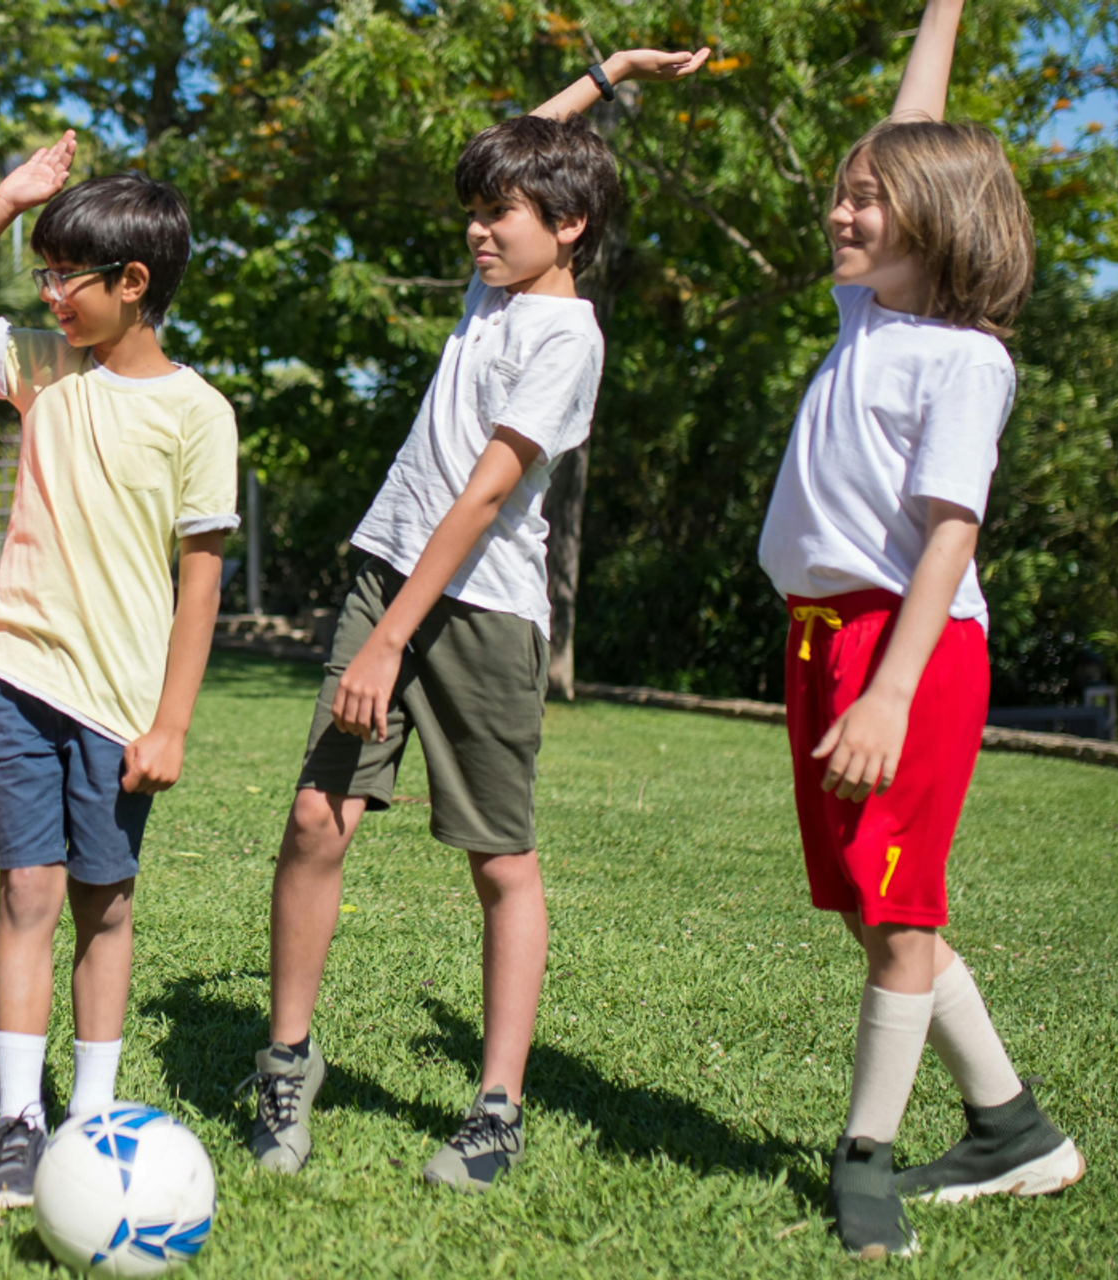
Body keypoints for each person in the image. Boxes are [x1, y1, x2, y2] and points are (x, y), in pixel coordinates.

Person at [243, 47, 709, 1195]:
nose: (475, 232)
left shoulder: (566, 337)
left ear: (570, 222)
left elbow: (488, 491)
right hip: (386, 575)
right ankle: (285, 1062)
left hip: (479, 614)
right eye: (474, 213)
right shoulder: (492, 289)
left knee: (498, 857)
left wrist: (392, 637)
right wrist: (607, 76)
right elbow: (524, 140)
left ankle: (494, 1105)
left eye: (496, 215)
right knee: (315, 817)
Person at [754, 0, 1081, 1257]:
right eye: (841, 193)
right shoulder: (867, 320)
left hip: (910, 647)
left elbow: (950, 533)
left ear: (933, 222)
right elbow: (909, 128)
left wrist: (886, 692)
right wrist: (940, 8)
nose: (841, 212)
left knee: (896, 915)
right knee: (869, 905)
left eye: (865, 201)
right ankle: (1009, 1124)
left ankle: (864, 1163)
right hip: (823, 639)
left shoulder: (964, 360)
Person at [0, 136, 238, 1209]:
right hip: (20, 674)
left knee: (105, 903)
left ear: (132, 284)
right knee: (26, 890)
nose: (47, 295)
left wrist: (170, 722)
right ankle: (16, 1119)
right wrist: (5, 198)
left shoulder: (197, 412)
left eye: (63, 278)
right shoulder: (43, 368)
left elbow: (199, 582)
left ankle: (92, 1119)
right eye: (39, 275)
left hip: (121, 704)